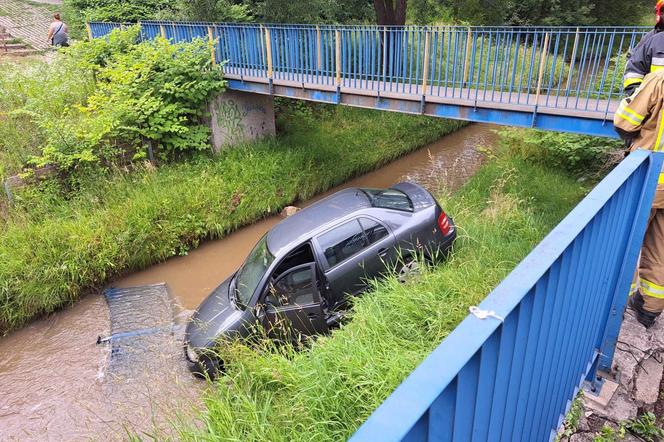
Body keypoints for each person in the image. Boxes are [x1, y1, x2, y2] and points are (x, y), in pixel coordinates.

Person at [614, 71, 664, 328]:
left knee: (626, 242)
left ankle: (616, 304)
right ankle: (649, 308)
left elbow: (625, 122)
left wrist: (630, 98)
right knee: (661, 246)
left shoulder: (659, 80)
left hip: (653, 180)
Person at [623, 0, 664, 97]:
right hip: (655, 106)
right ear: (660, 14)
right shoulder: (652, 39)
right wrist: (639, 97)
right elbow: (633, 71)